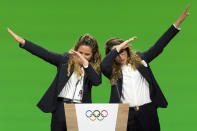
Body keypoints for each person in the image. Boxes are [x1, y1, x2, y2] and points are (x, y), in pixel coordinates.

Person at [101, 5, 190, 131]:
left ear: (127, 50)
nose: (120, 57)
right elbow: (103, 65)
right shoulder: (112, 71)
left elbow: (159, 46)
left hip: (147, 111)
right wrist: (116, 49)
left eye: (122, 52)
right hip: (126, 115)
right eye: (117, 54)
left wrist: (177, 24)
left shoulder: (141, 58)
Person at [7, 30, 102, 131]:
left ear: (93, 55)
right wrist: (24, 42)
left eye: (86, 54)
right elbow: (45, 54)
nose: (82, 56)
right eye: (80, 53)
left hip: (81, 109)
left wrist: (85, 64)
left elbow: (97, 82)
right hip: (61, 108)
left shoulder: (93, 68)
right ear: (76, 50)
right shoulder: (65, 60)